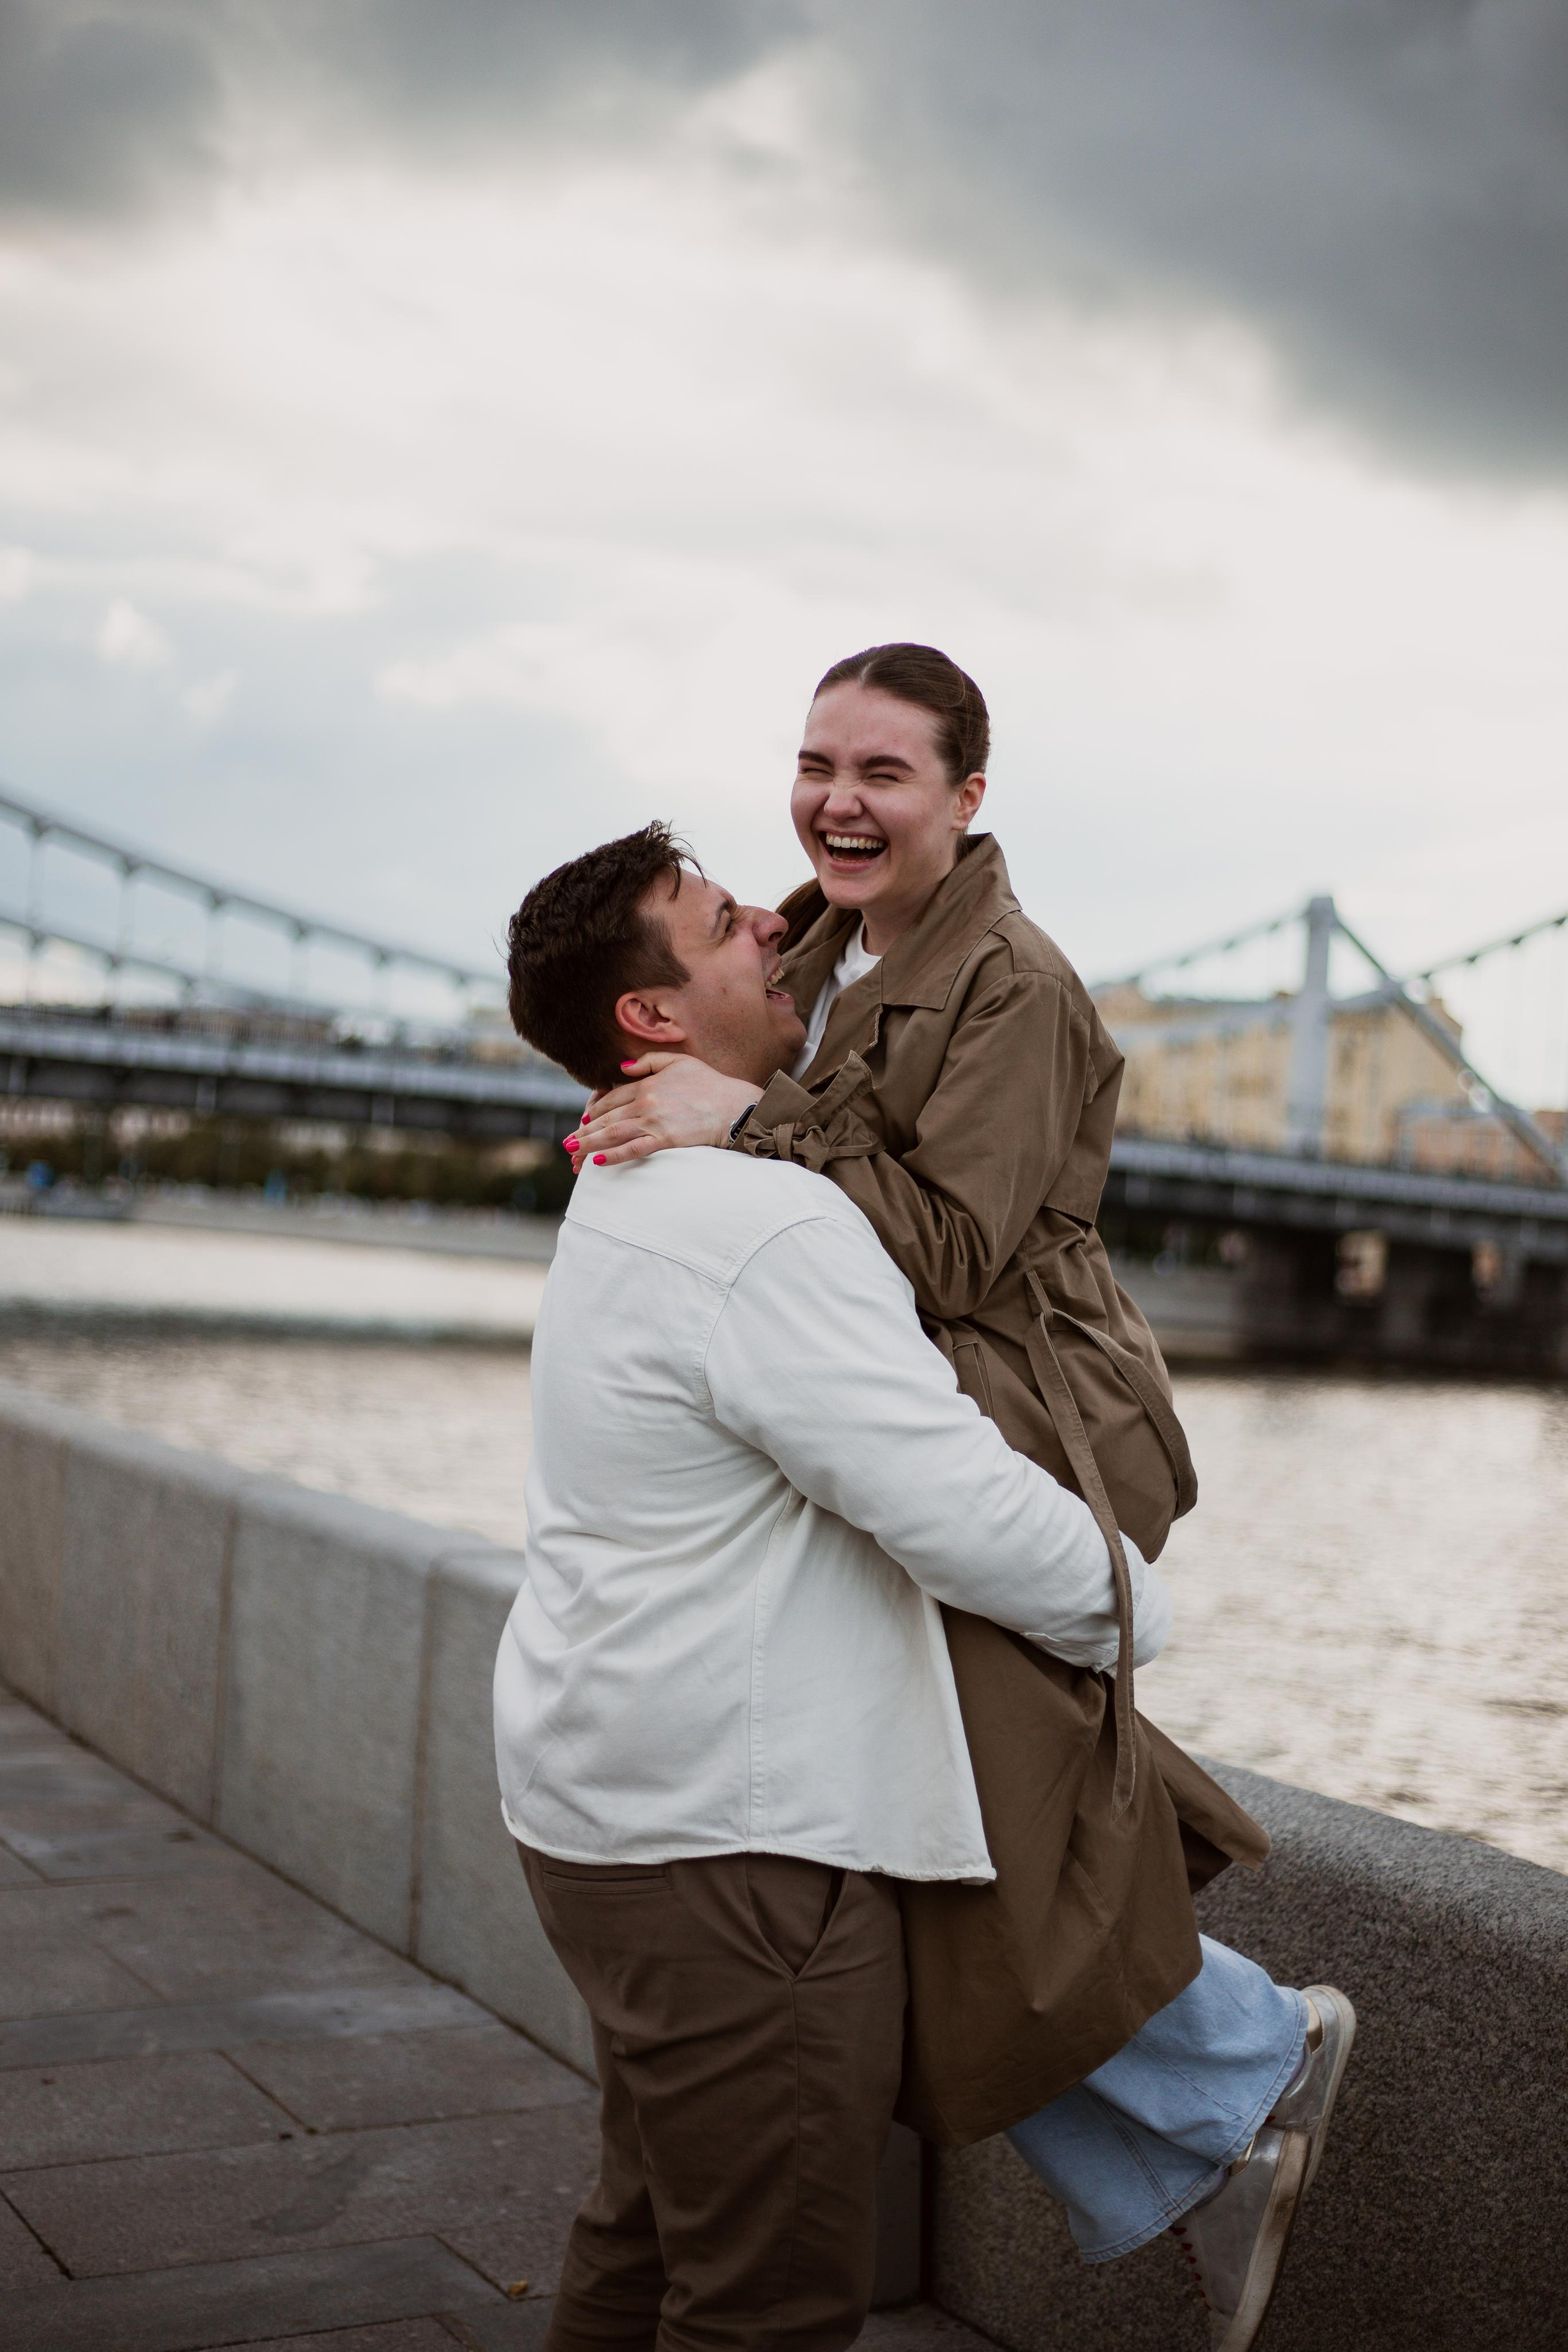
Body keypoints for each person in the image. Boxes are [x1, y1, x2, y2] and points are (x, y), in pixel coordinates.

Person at [564, 647, 1355, 2350]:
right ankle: (1230, 2095)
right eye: (815, 761)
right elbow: (680, 1032)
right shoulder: (814, 940)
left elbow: (949, 1249)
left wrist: (744, 1114)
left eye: (886, 773)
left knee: (976, 1785)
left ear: (967, 799)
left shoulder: (1021, 987)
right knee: (923, 1825)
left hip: (1029, 1412)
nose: (837, 802)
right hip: (894, 1405)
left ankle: (1249, 2067)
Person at [497, 823, 1177, 2349]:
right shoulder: (761, 1217)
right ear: (653, 1019)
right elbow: (947, 1497)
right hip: (738, 1847)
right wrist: (1133, 1604)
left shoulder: (628, 1179)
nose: (767, 916)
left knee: (648, 2233)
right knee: (769, 2301)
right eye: (718, 918)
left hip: (606, 1802)